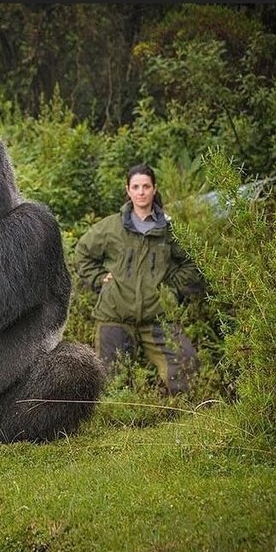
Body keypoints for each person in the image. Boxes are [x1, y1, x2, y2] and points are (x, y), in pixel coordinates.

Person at [74, 164, 203, 394]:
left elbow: (193, 262)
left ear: (154, 189)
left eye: (146, 186)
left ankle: (179, 414)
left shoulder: (169, 229)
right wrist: (100, 279)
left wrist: (171, 291)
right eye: (136, 187)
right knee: (110, 380)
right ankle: (116, 422)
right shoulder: (111, 227)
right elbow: (82, 253)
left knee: (186, 366)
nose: (141, 192)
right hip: (115, 313)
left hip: (158, 315)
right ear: (128, 190)